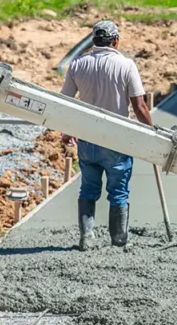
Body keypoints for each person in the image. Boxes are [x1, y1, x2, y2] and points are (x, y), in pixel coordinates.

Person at [61, 19, 153, 250]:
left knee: (88, 188)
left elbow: (64, 102)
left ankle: (86, 237)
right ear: (116, 40)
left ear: (93, 40)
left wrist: (67, 131)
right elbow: (139, 106)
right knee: (119, 191)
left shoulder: (78, 65)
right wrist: (152, 132)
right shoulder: (126, 65)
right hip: (116, 140)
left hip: (87, 138)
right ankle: (119, 240)